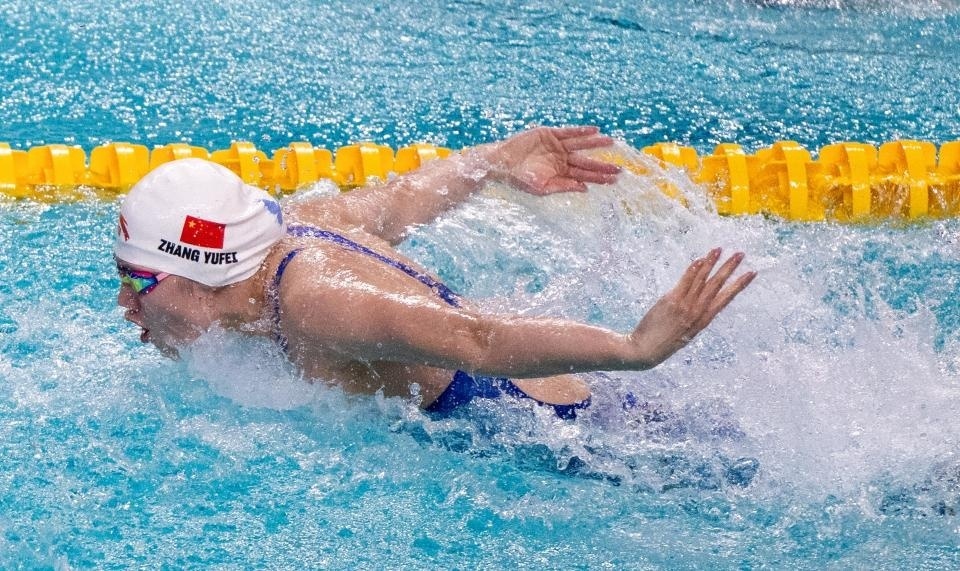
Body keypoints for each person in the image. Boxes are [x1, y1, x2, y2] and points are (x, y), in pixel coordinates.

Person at [115, 126, 756, 418]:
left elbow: (477, 339)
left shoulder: (317, 301)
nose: (125, 303)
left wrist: (635, 348)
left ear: (199, 273)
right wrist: (495, 159)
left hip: (565, 429)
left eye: (138, 281)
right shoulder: (301, 225)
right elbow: (400, 199)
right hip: (563, 392)